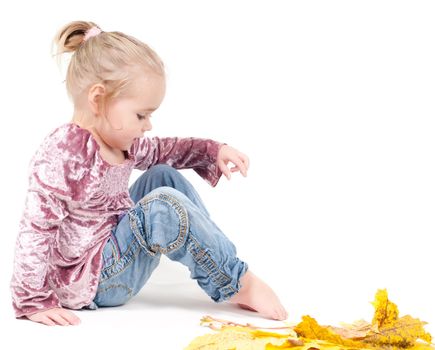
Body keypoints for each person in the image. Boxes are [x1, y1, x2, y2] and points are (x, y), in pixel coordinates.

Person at [10, 21, 287, 326]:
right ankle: (235, 282)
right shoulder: (64, 153)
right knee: (162, 206)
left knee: (163, 175)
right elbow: (36, 228)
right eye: (141, 115)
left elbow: (164, 150)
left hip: (112, 243)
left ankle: (223, 266)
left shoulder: (119, 142)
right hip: (95, 279)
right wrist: (32, 300)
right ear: (98, 99)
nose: (147, 125)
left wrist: (211, 151)